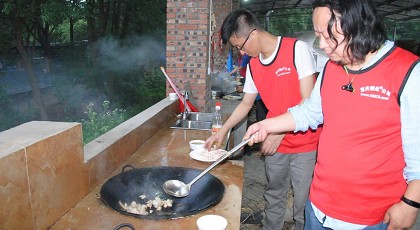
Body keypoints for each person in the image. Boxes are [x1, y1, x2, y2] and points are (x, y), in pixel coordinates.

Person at [243, 0, 420, 229]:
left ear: (358, 25)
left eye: (329, 36)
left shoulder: (408, 71)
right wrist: (267, 125)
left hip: (370, 218)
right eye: (319, 35)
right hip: (318, 208)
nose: (322, 45)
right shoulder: (332, 66)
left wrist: (410, 203)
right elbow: (310, 112)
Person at [204, 9, 322, 230]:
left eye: (241, 46)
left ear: (254, 33)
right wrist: (224, 130)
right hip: (274, 142)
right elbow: (246, 104)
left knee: (302, 202)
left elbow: (308, 103)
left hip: (304, 142)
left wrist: (278, 133)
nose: (241, 52)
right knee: (274, 193)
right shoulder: (254, 65)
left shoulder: (297, 49)